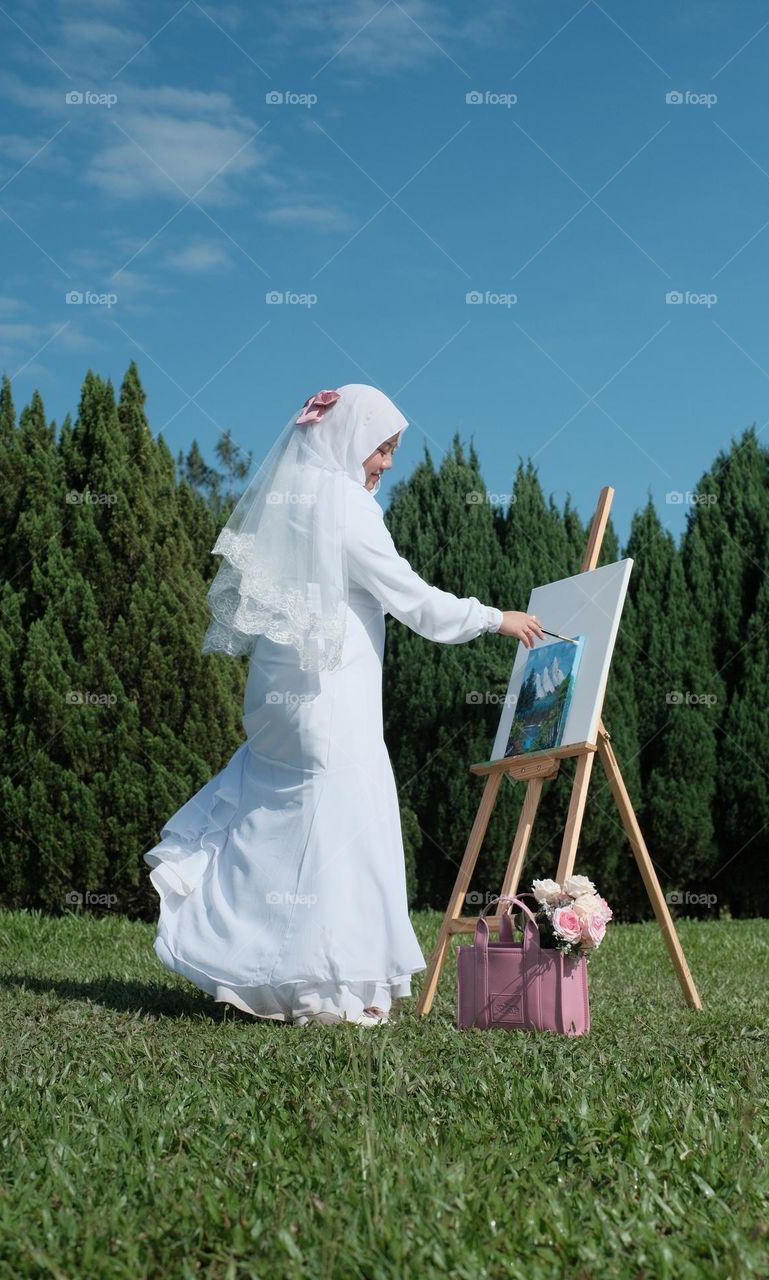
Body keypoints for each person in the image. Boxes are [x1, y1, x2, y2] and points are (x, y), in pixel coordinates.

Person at [143, 383, 545, 1026]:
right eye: (381, 449)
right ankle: (328, 989)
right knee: (346, 833)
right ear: (349, 439)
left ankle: (269, 972)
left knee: (287, 830)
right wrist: (497, 618)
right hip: (330, 700)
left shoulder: (294, 499)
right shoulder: (346, 508)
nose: (386, 464)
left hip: (279, 699)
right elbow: (411, 599)